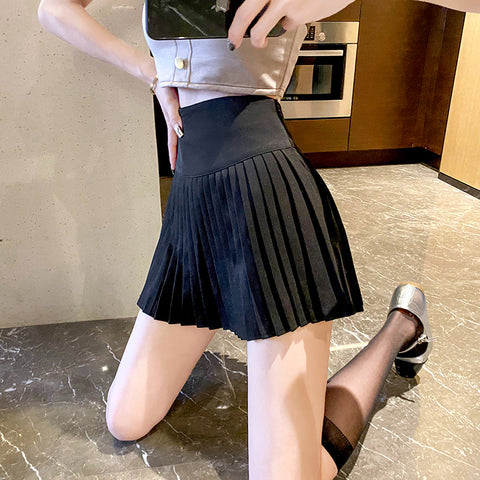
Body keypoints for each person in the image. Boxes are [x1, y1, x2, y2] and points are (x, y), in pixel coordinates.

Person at [37, 1, 478, 478]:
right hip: (194, 206)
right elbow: (54, 10)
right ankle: (227, 306)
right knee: (124, 420)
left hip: (266, 199)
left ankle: (402, 325)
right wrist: (152, 73)